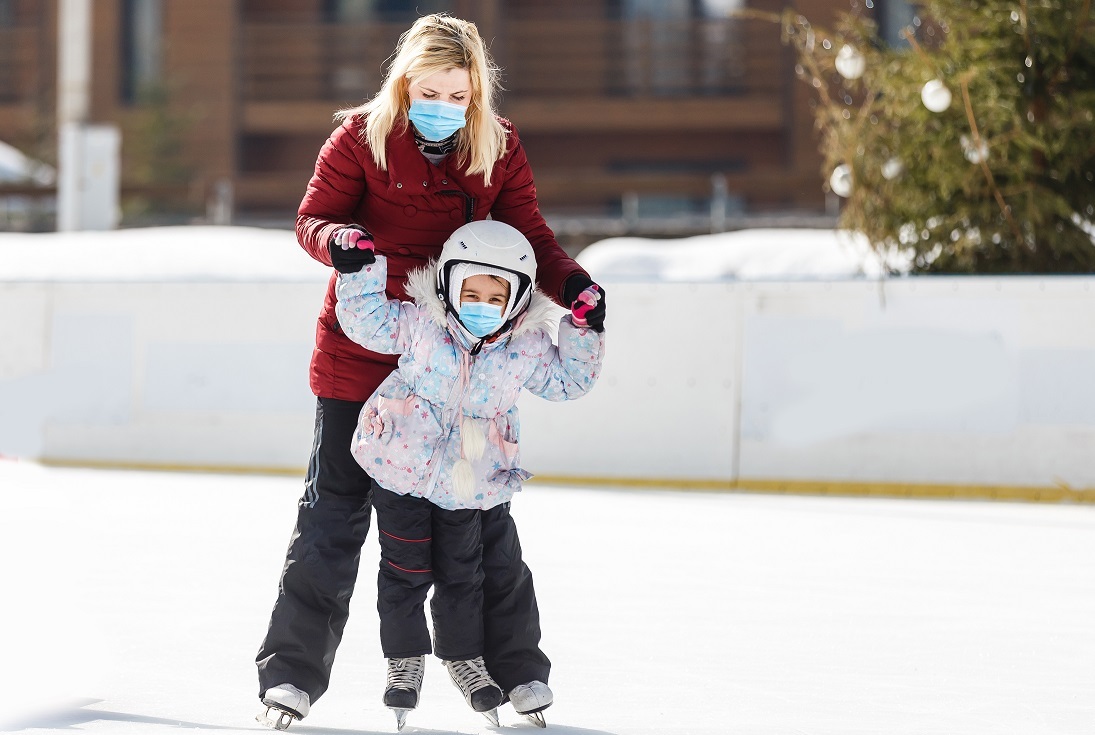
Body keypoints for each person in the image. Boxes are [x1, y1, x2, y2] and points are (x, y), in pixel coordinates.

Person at [255, 12, 607, 732]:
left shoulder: (497, 145)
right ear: (404, 83)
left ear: (476, 89)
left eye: (457, 91)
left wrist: (570, 286)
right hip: (363, 356)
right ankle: (291, 676)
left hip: (457, 370)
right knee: (332, 518)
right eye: (428, 88)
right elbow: (311, 217)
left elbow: (530, 238)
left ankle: (517, 672)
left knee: (482, 525)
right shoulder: (360, 137)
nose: (442, 104)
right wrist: (342, 243)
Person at [335, 220, 604, 729]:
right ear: (448, 286)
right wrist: (359, 269)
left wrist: (586, 328)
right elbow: (366, 321)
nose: (482, 303)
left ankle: (464, 659)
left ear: (518, 300)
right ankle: (404, 661)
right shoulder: (421, 325)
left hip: (469, 481)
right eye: (471, 291)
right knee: (404, 574)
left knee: (463, 578)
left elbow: (570, 381)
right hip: (400, 470)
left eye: (495, 295)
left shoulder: (525, 349)